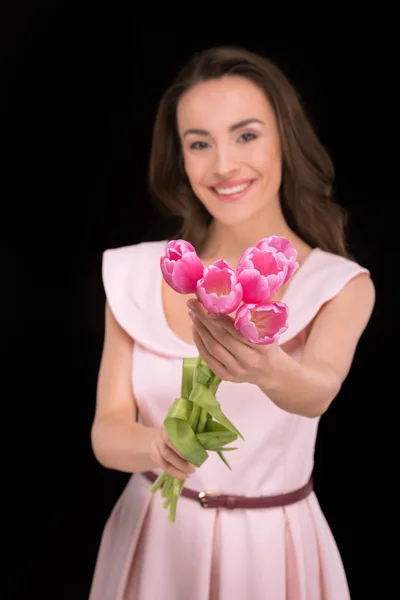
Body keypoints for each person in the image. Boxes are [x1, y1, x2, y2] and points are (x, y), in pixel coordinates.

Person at [89, 45, 375, 599]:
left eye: (246, 135)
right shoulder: (136, 272)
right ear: (181, 159)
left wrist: (266, 369)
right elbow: (106, 431)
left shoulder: (339, 284)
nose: (223, 165)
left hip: (270, 554)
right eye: (200, 144)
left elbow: (317, 391)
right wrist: (158, 450)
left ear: (284, 141)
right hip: (153, 541)